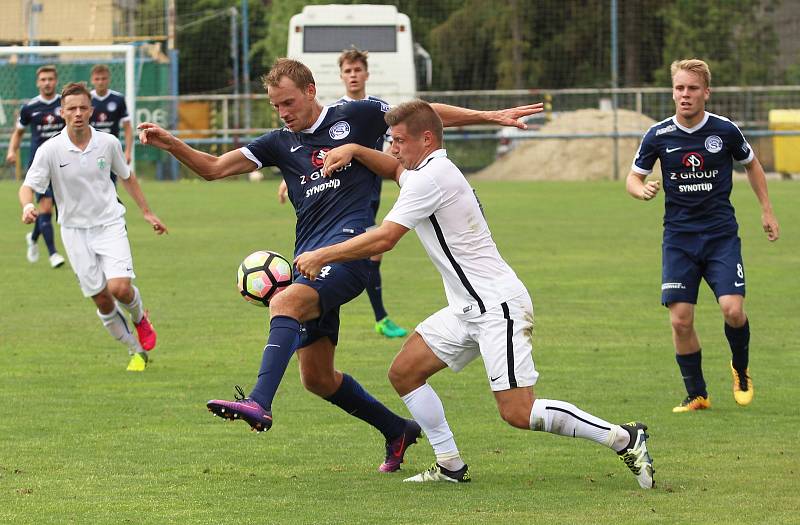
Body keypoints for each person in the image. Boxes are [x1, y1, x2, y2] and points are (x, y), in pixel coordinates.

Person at [138, 58, 542, 472]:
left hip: (349, 254)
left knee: (286, 305)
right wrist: (171, 143)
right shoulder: (278, 143)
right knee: (317, 378)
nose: (284, 112)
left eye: (289, 102)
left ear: (311, 91)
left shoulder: (357, 116)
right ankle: (396, 430)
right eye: (277, 106)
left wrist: (489, 116)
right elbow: (213, 168)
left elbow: (426, 115)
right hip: (311, 261)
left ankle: (259, 401)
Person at [294, 100, 654, 488]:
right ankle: (449, 463)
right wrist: (355, 150)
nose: (393, 148)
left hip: (497, 306)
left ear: (426, 138)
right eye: (390, 140)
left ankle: (622, 437)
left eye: (398, 140)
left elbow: (385, 238)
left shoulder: (429, 178)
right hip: (467, 308)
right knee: (405, 373)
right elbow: (395, 169)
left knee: (518, 411)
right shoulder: (428, 169)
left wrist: (322, 255)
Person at [626, 59, 780, 412]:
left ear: (705, 92)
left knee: (733, 310)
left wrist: (767, 210)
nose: (685, 95)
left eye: (692, 88)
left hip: (720, 236)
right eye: (679, 88)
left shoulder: (725, 131)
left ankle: (740, 370)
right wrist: (641, 190)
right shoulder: (659, 135)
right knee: (680, 320)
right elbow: (632, 178)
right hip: (679, 240)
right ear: (673, 92)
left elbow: (752, 164)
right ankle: (697, 393)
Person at [18, 82, 167, 372]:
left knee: (119, 288)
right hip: (74, 231)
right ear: (61, 112)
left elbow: (127, 176)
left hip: (110, 223)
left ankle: (140, 319)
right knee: (101, 298)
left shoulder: (108, 142)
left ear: (91, 110)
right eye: (71, 108)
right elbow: (27, 187)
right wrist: (27, 206)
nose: (77, 113)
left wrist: (147, 213)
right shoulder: (50, 150)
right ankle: (135, 350)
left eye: (82, 107)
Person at [278, 48, 408, 339]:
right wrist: (291, 180)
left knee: (370, 254)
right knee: (369, 254)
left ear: (366, 74)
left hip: (372, 193)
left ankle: (337, 314)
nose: (353, 75)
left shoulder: (375, 108)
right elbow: (308, 155)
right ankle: (381, 317)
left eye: (357, 70)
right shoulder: (335, 112)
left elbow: (399, 135)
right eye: (348, 71)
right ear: (341, 76)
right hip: (344, 202)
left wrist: (387, 156)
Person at [6, 65, 66, 268]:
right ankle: (53, 254)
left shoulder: (65, 105)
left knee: (50, 210)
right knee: (46, 207)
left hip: (65, 164)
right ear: (37, 83)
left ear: (56, 81)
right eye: (43, 79)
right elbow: (19, 132)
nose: (47, 82)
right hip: (40, 167)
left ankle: (32, 238)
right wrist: (12, 151)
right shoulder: (30, 107)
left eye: (50, 79)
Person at [89, 64, 133, 183]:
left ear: (109, 79)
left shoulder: (118, 99)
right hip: (90, 149)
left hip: (111, 150)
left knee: (110, 184)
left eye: (103, 78)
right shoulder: (87, 99)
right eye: (97, 79)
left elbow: (128, 127)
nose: (100, 82)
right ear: (92, 80)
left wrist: (128, 151)